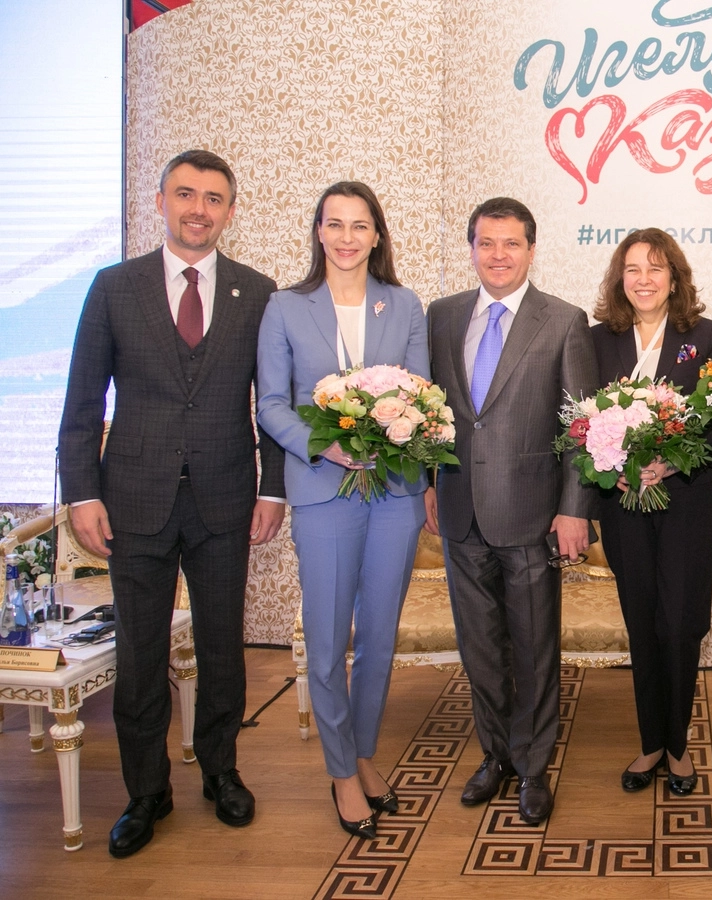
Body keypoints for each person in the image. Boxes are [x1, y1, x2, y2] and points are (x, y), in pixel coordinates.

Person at [58, 149, 286, 857]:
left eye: (213, 199)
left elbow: (273, 403)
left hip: (224, 498)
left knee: (221, 646)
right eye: (185, 194)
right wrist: (82, 494)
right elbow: (82, 403)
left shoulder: (258, 292)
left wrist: (272, 487)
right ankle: (145, 792)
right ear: (160, 202)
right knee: (140, 653)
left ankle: (221, 771)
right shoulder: (114, 287)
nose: (198, 209)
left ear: (231, 212)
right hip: (133, 500)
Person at [256, 182, 428, 839]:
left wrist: (396, 433)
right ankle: (340, 771)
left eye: (360, 225)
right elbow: (271, 403)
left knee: (379, 637)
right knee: (328, 638)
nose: (347, 237)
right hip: (322, 489)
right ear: (319, 232)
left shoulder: (404, 304)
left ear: (377, 235)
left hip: (394, 492)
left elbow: (422, 394)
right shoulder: (285, 306)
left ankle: (362, 753)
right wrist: (323, 443)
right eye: (335, 224)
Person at [423, 197, 599, 825]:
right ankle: (495, 755)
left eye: (511, 244)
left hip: (531, 514)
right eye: (486, 243)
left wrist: (573, 508)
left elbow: (580, 426)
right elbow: (429, 410)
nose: (498, 255)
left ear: (531, 249)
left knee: (533, 650)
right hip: (459, 510)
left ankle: (533, 766)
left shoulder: (564, 321)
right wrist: (428, 482)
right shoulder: (442, 315)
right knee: (480, 650)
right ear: (472, 248)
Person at [589, 229, 712, 796]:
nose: (643, 279)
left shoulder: (704, 335)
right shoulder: (598, 339)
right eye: (633, 269)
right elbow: (579, 422)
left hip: (687, 504)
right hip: (623, 506)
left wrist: (672, 463)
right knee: (642, 622)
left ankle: (678, 744)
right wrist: (610, 464)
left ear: (674, 278)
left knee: (680, 624)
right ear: (619, 279)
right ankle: (651, 742)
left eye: (655, 268)